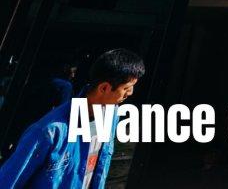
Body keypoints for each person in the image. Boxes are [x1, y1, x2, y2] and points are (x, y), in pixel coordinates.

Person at [0, 49, 145, 189]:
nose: (130, 93)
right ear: (104, 88)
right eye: (126, 88)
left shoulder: (112, 115)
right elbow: (8, 182)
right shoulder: (49, 131)